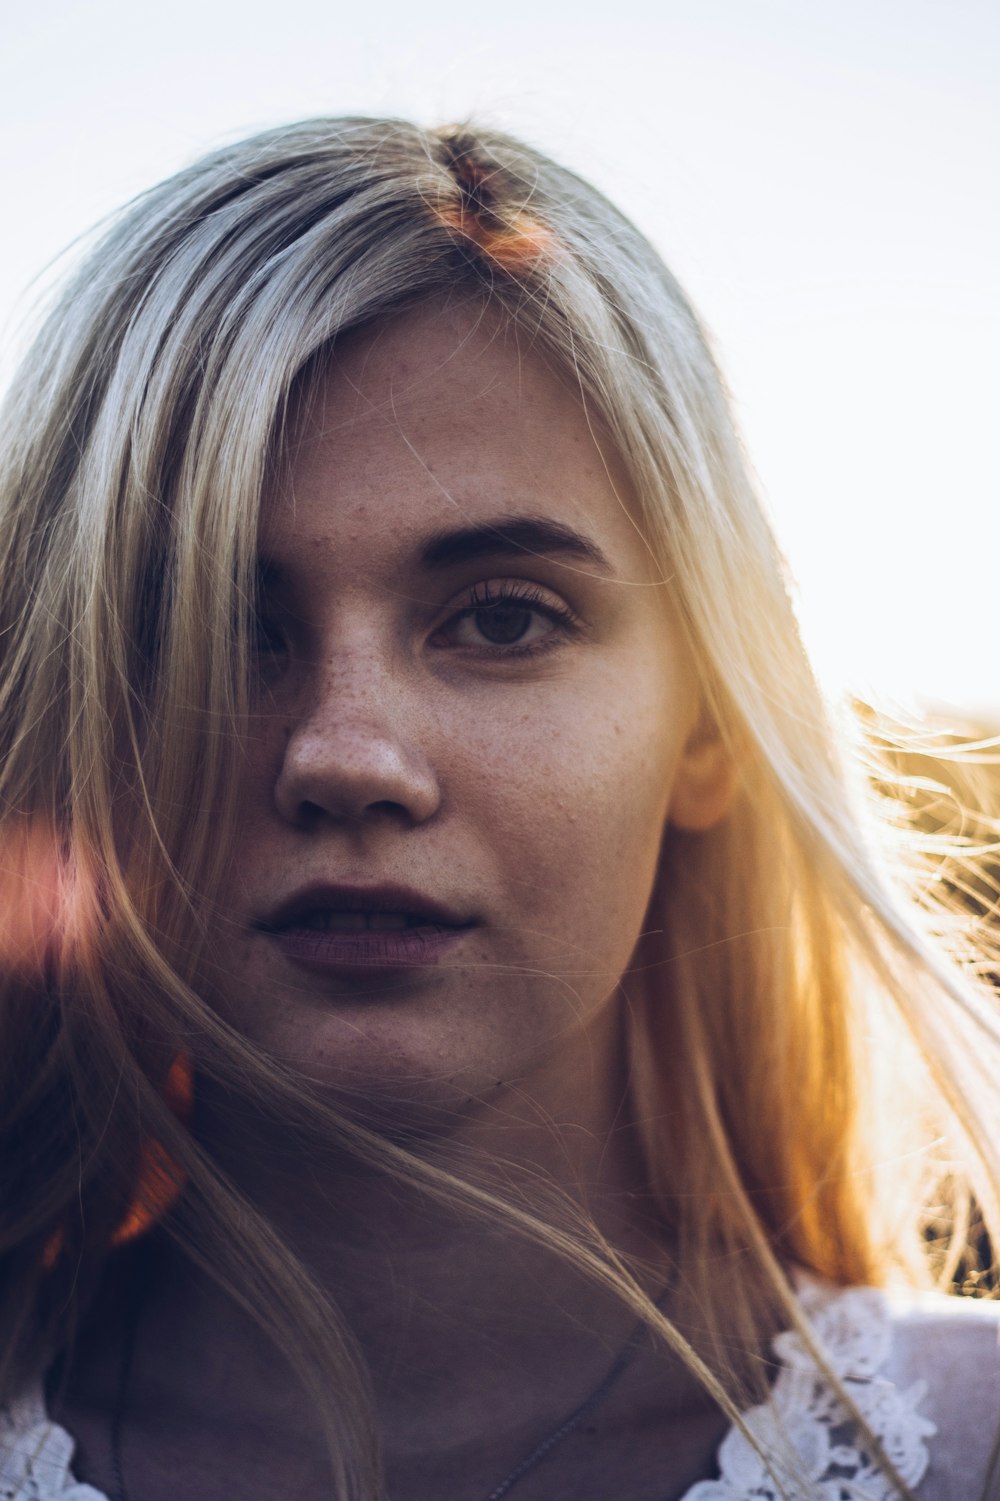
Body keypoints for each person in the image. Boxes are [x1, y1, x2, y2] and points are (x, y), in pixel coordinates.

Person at [0, 116, 997, 1501]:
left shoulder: (962, 1447)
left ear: (708, 719)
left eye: (506, 616)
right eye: (217, 626)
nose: (349, 757)